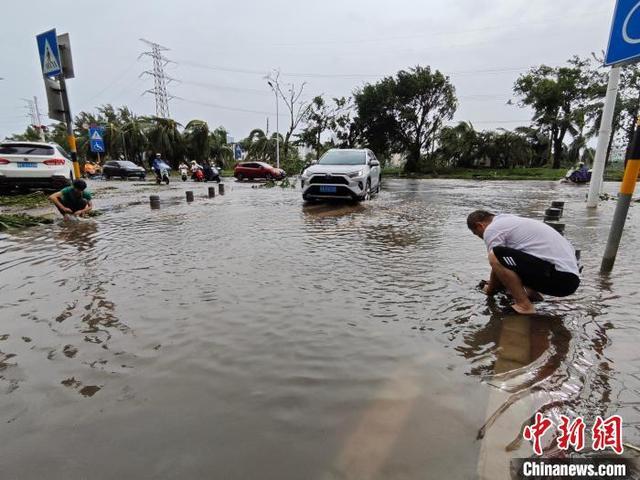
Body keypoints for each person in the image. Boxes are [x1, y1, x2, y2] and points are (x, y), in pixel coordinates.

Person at [467, 210, 580, 314]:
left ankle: (524, 306)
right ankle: (532, 294)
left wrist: (489, 289)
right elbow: (516, 262)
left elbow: (497, 263)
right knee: (512, 257)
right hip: (569, 280)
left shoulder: (492, 229)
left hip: (560, 278)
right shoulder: (510, 221)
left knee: (495, 255)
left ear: (479, 225)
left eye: (477, 234)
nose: (481, 237)